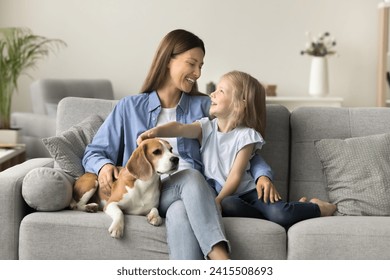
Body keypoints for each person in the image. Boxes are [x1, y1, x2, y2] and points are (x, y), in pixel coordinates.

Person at [82, 29, 279, 260]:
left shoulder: (205, 106)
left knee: (181, 207)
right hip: (148, 192)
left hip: (190, 196)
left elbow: (240, 144)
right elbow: (94, 152)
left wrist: (262, 175)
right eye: (192, 64)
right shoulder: (129, 107)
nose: (198, 73)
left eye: (201, 66)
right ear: (168, 61)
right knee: (190, 177)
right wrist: (104, 166)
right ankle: (221, 259)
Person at [137, 70, 337, 228]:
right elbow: (179, 128)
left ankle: (318, 207)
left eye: (221, 91)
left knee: (279, 214)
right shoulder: (206, 127)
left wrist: (218, 199)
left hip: (250, 193)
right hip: (230, 198)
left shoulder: (247, 136)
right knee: (230, 205)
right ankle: (296, 209)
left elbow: (235, 175)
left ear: (240, 104)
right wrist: (156, 131)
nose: (212, 94)